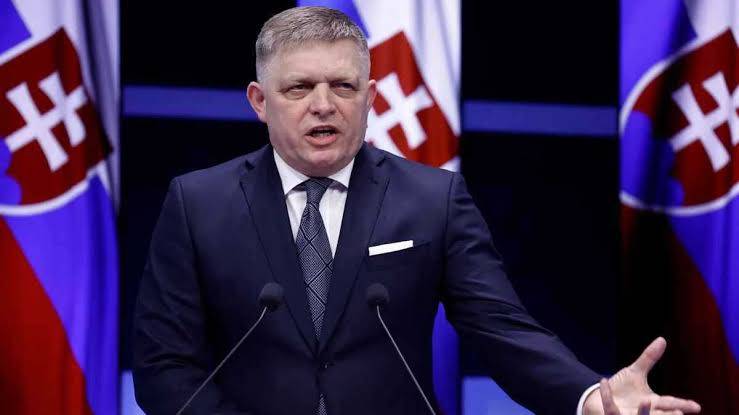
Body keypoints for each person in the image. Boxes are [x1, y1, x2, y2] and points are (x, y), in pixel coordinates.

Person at [133, 6, 702, 415]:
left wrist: (590, 396)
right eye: (299, 88)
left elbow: (501, 330)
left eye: (343, 86)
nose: (324, 105)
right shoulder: (198, 203)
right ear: (260, 101)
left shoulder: (433, 199)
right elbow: (164, 366)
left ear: (371, 97)